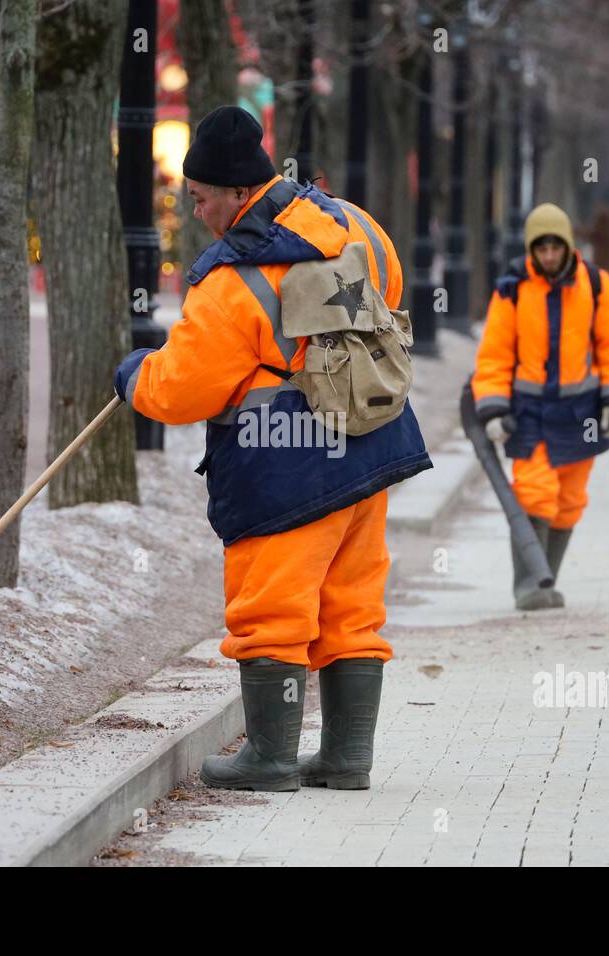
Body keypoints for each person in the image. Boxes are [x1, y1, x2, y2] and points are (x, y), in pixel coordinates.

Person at [113, 106, 431, 792]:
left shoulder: (231, 281)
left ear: (235, 193)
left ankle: (271, 758)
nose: (197, 213)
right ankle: (347, 759)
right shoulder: (352, 224)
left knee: (273, 609)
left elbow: (182, 391)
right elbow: (391, 290)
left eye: (200, 199)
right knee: (353, 605)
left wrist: (133, 376)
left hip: (285, 469)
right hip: (370, 449)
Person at [471, 203, 609, 610]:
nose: (548, 256)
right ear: (531, 249)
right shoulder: (513, 288)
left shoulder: (596, 286)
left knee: (570, 500)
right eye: (540, 248)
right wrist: (492, 408)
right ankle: (529, 586)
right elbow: (494, 355)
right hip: (530, 412)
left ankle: (547, 581)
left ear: (567, 246)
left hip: (582, 413)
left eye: (554, 247)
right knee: (533, 493)